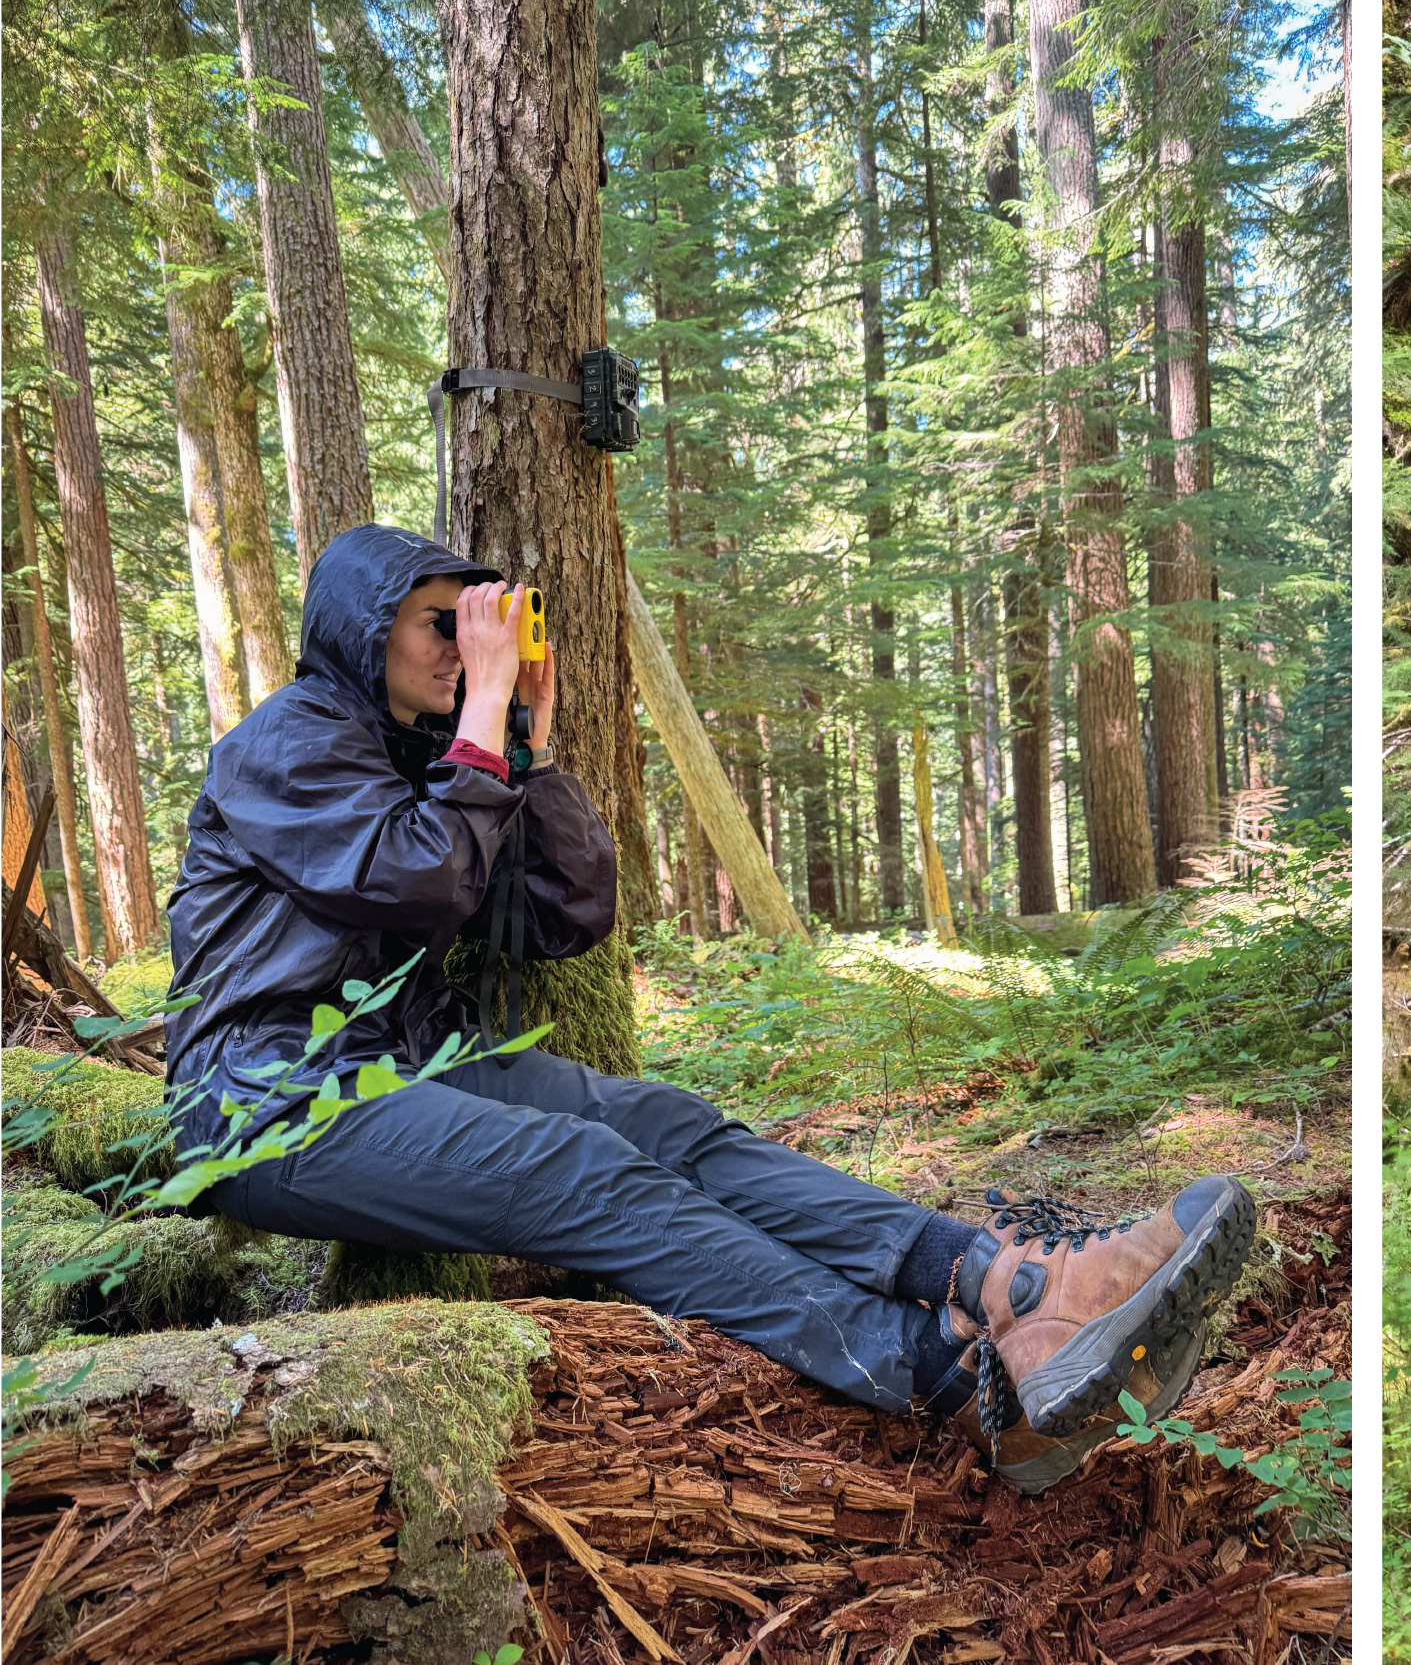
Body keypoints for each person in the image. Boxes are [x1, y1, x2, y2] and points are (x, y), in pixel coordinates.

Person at [162, 524, 1252, 1493]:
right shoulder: (286, 741)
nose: (464, 648)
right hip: (268, 1101)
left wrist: (526, 741)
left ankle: (1011, 1283)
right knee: (579, 1171)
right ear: (361, 632)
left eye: (479, 628)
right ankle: (949, 1377)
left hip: (409, 1062)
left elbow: (569, 911)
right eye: (443, 625)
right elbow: (416, 879)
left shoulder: (431, 754)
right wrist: (484, 716)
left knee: (668, 1128)